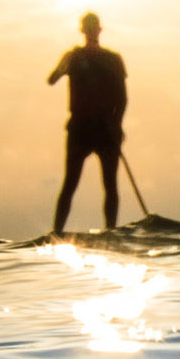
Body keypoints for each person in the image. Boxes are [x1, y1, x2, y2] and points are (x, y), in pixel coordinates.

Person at [47, 12, 127, 234]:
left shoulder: (110, 59)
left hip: (98, 128)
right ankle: (60, 233)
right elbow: (52, 79)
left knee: (105, 186)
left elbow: (122, 98)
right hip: (87, 127)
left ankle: (104, 232)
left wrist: (116, 125)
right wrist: (117, 125)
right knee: (75, 184)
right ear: (95, 30)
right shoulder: (78, 57)